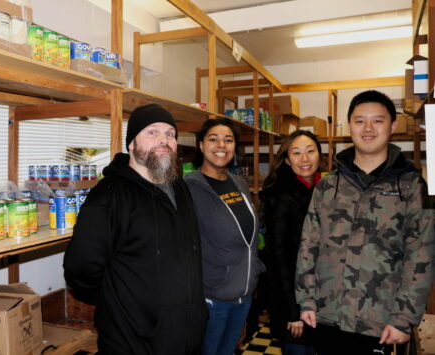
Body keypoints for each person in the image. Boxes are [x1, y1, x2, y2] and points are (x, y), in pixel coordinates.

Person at [296, 90, 435, 355]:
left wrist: (403, 319)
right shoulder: (328, 185)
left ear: (392, 126)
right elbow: (308, 246)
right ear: (350, 126)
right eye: (360, 121)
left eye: (378, 121)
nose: (368, 128)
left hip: (380, 324)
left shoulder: (411, 186)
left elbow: (421, 256)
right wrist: (306, 301)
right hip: (327, 316)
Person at [63, 103, 208, 355]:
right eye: (152, 132)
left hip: (185, 336)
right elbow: (81, 267)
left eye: (170, 134)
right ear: (131, 144)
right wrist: (118, 303)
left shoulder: (180, 188)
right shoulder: (109, 195)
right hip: (133, 341)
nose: (163, 140)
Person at [184, 118, 265, 355]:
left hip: (243, 295)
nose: (221, 145)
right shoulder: (189, 188)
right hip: (213, 297)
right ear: (200, 145)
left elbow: (247, 235)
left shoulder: (238, 182)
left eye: (228, 140)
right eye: (213, 139)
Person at [261, 130, 324, 355]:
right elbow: (278, 259)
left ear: (320, 155)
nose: (305, 159)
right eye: (296, 153)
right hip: (293, 304)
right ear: (287, 160)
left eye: (310, 151)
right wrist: (293, 312)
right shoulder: (282, 197)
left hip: (319, 303)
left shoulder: (323, 191)